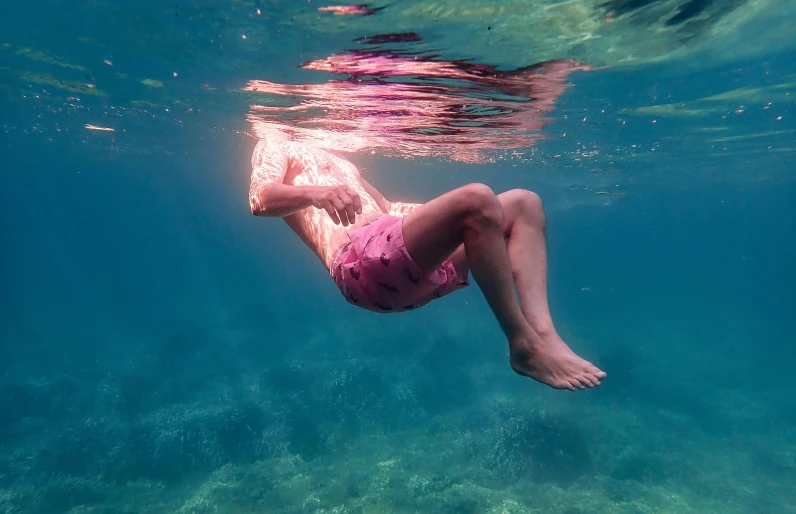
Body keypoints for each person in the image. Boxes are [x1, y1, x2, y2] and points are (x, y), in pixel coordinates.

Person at [248, 134, 606, 391]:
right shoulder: (275, 141)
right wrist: (315, 193)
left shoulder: (339, 160)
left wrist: (445, 221)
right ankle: (522, 343)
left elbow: (385, 210)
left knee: (523, 203)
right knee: (477, 199)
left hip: (390, 255)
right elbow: (260, 198)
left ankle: (544, 333)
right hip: (359, 262)